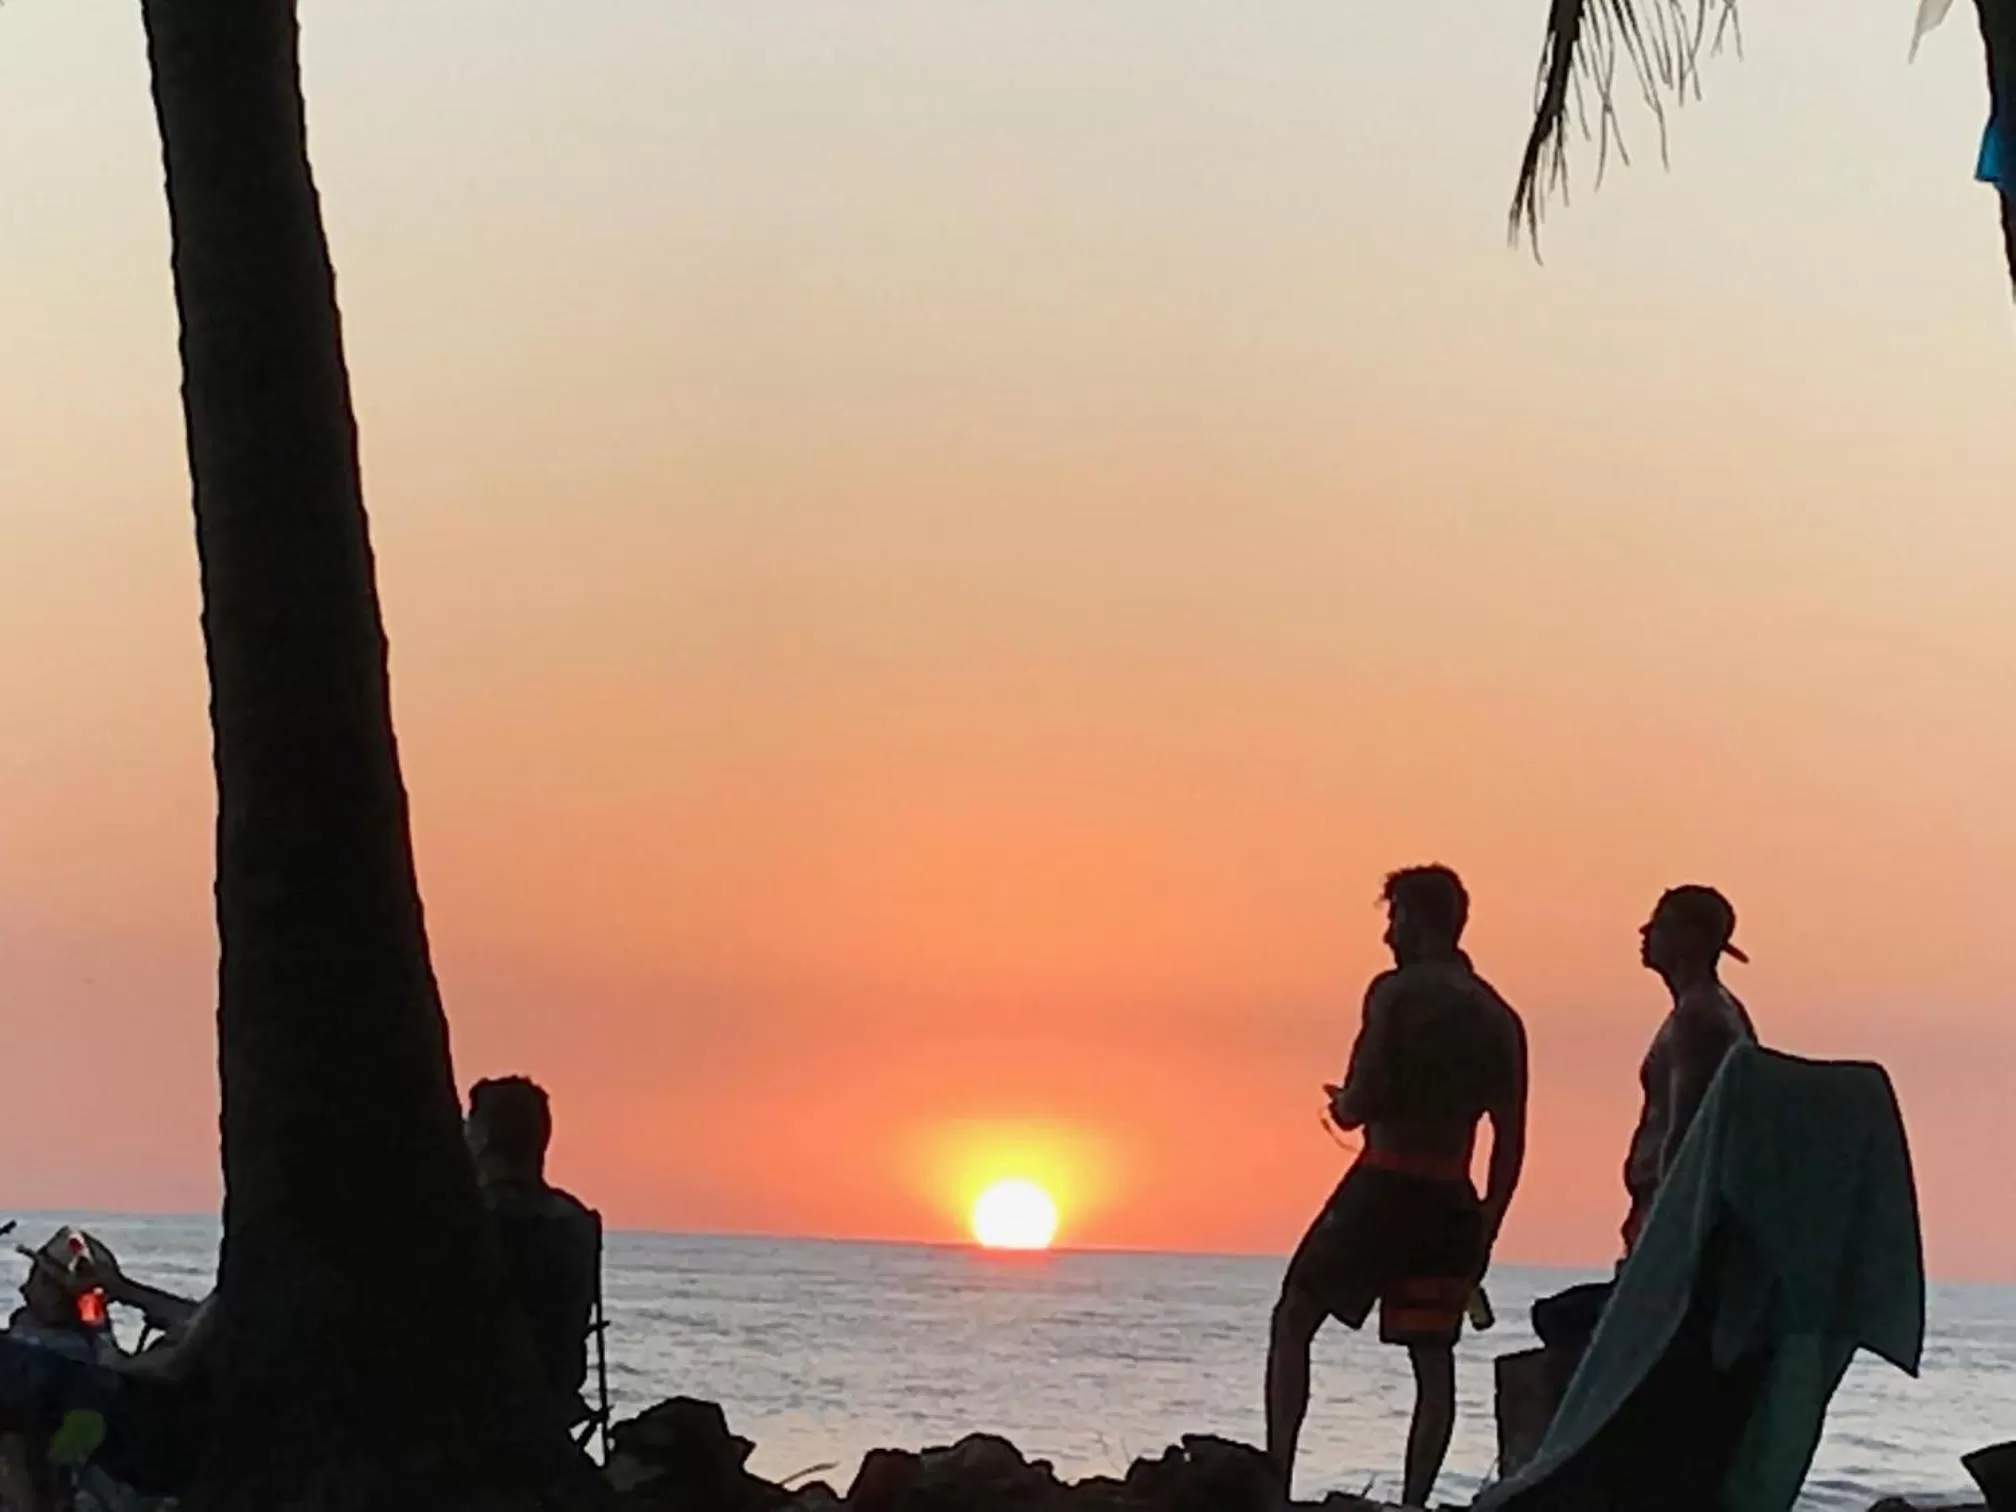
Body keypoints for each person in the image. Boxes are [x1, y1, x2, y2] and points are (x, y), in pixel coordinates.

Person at [1267, 865, 1529, 1508]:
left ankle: (1274, 1484)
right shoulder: (1500, 1016)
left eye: (1395, 918)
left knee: (1295, 1315)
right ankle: (1414, 1502)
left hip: (1384, 1185)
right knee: (1432, 1358)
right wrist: (1486, 1228)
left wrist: (1342, 1106)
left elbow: (1364, 1094)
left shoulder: (1396, 993)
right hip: (1451, 1201)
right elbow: (1511, 1140)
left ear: (1417, 920)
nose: (1388, 934)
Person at [1620, 885, 1757, 1254]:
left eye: (1660, 923)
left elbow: (1686, 1131)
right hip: (1662, 1207)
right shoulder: (1710, 1011)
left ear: (1692, 938)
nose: (1644, 932)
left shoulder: (1698, 1019)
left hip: (1672, 1213)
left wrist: (1668, 1224)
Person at [466, 1076, 602, 1427]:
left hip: (482, 1407)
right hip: (552, 1404)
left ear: (481, 1137)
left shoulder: (476, 1218)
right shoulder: (577, 1221)